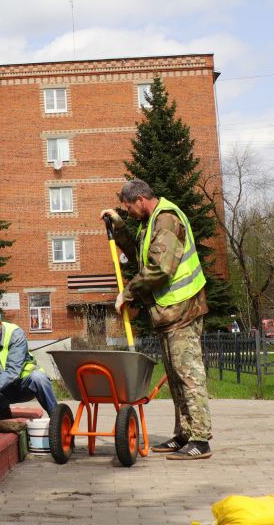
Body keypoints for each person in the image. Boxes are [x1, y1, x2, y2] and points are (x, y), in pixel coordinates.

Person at [102, 178, 213, 460]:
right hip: (168, 313)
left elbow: (160, 269)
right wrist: (119, 225)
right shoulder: (150, 222)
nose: (128, 212)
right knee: (176, 377)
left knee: (188, 376)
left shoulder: (166, 220)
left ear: (141, 199)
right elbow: (141, 256)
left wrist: (128, 293)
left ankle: (200, 439)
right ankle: (184, 434)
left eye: (128, 208)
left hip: (183, 309)